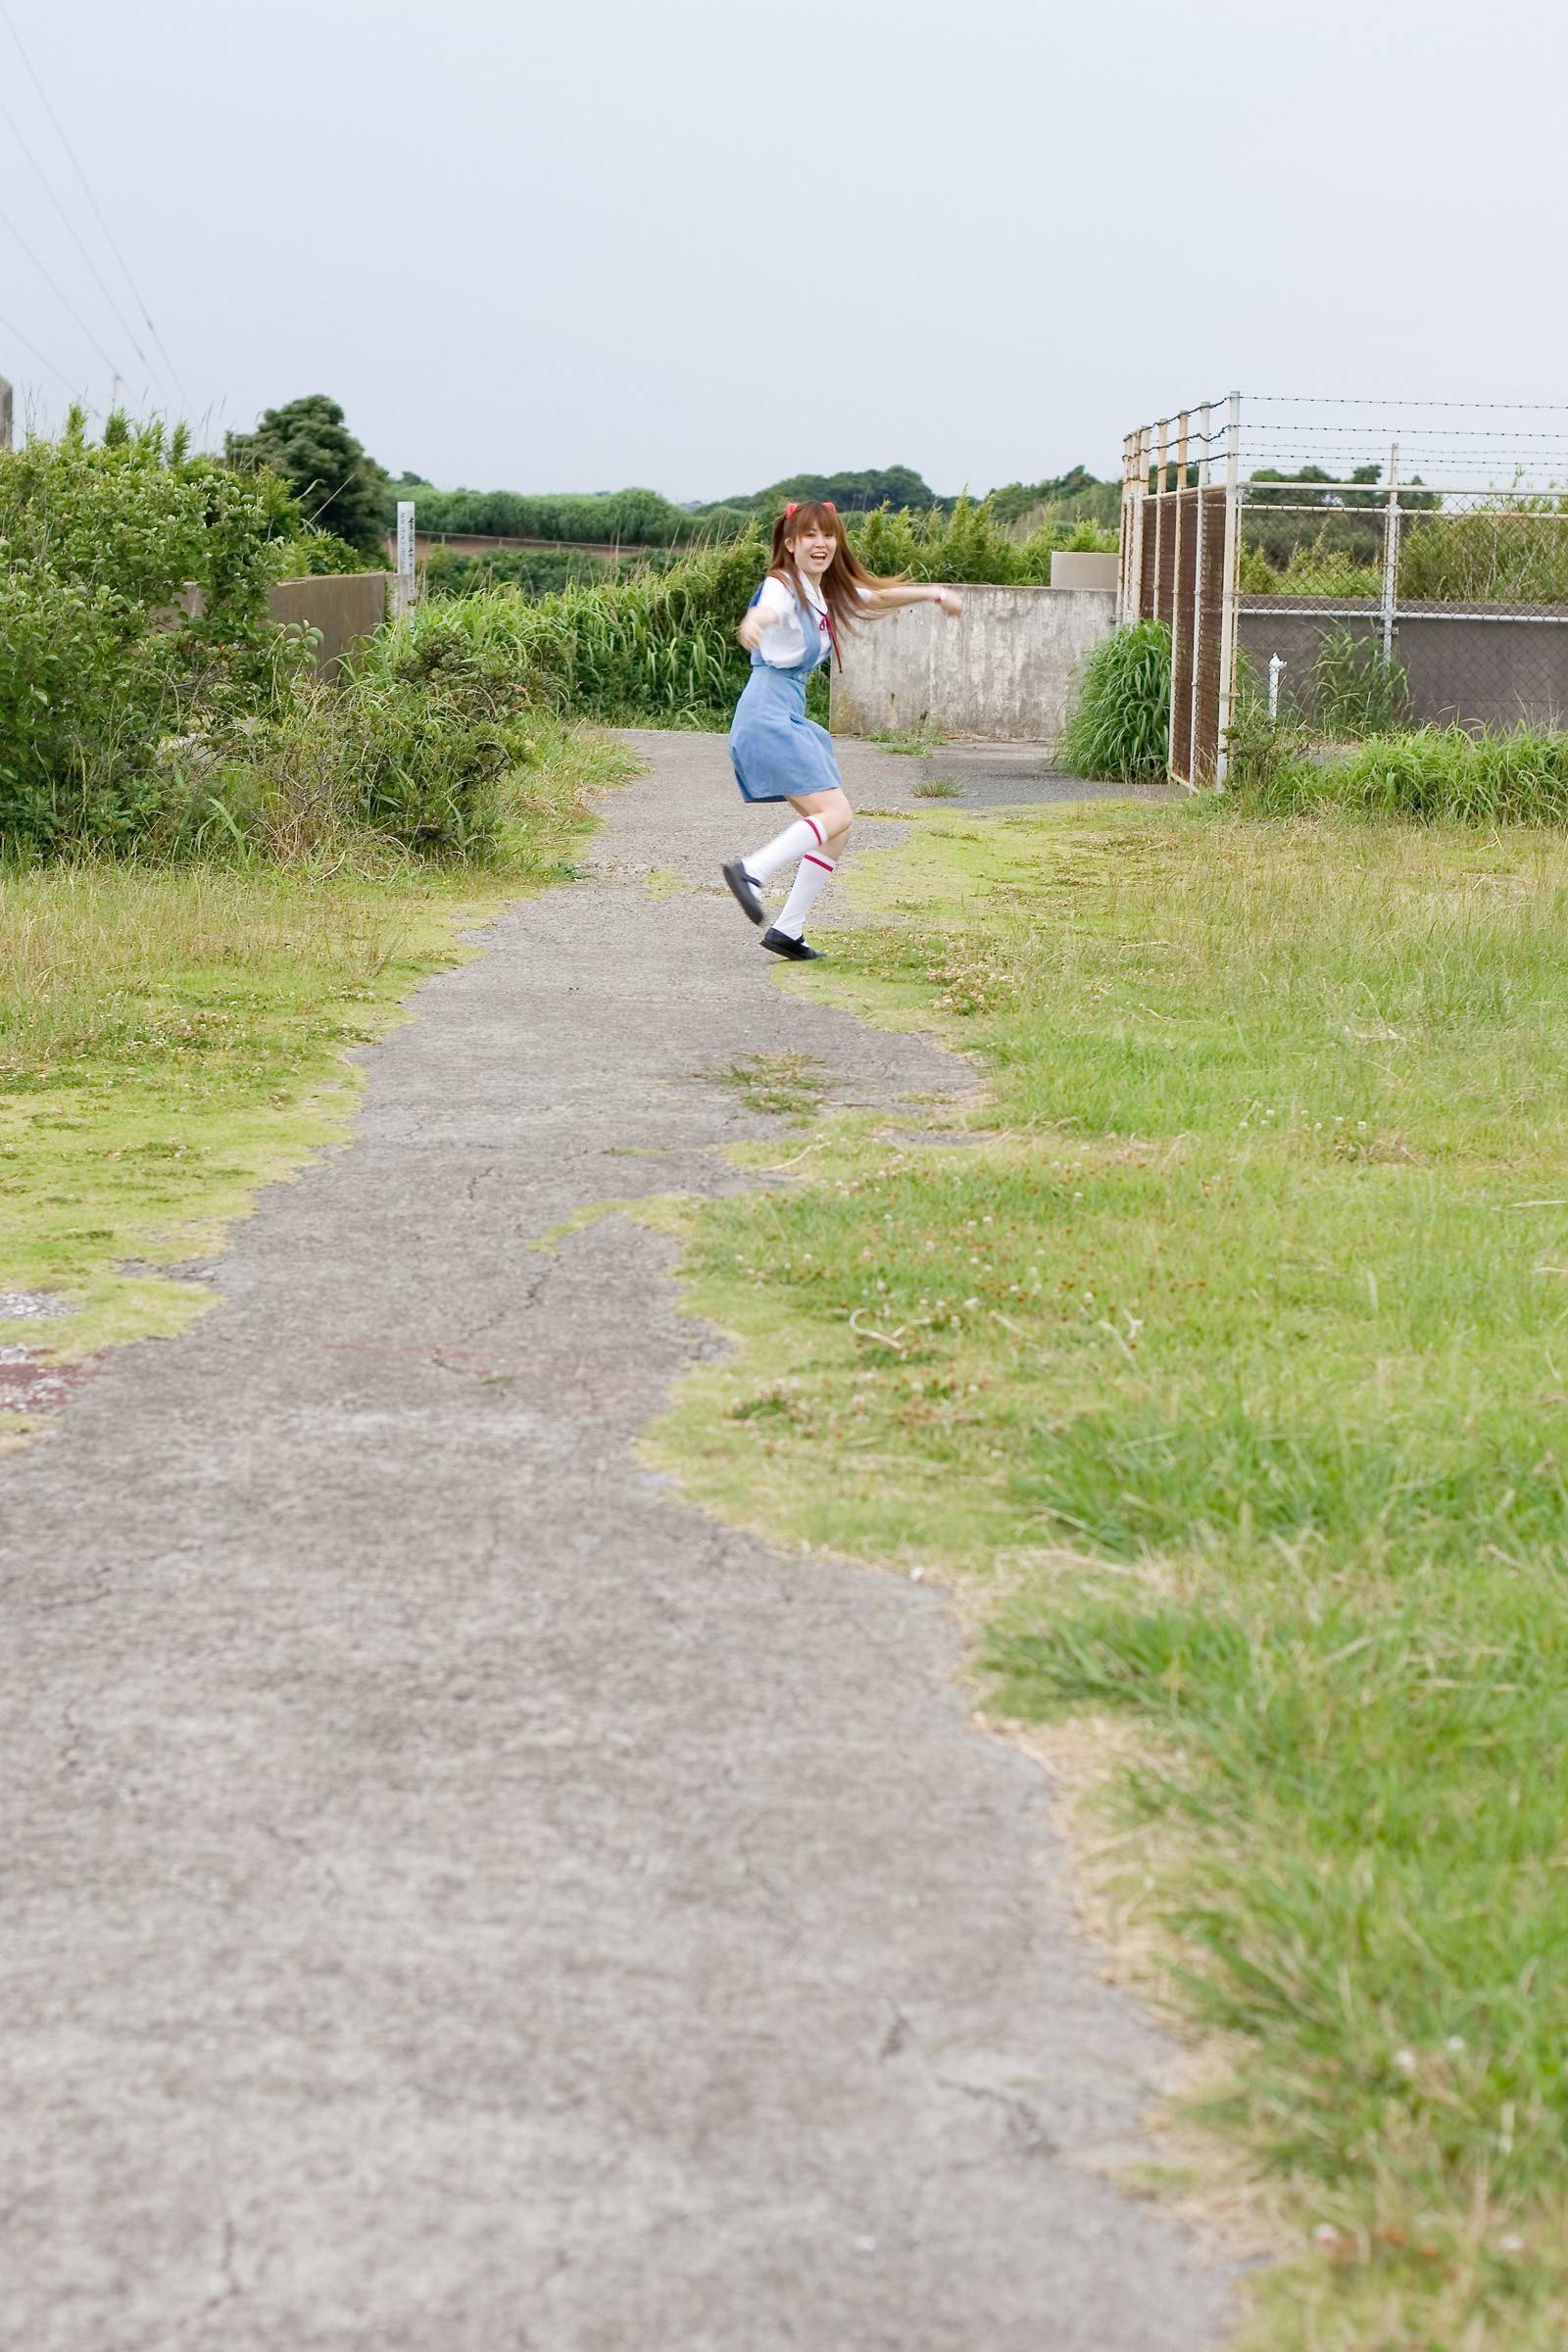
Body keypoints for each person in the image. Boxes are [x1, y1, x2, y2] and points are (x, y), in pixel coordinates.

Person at [722, 501, 961, 959]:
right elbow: (768, 609)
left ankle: (788, 930)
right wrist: (753, 621)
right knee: (835, 815)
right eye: (809, 535)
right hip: (767, 716)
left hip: (783, 713)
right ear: (790, 544)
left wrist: (933, 593)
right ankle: (752, 870)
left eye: (828, 535)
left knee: (836, 829)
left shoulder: (821, 592)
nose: (821, 544)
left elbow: (874, 596)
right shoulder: (782, 584)